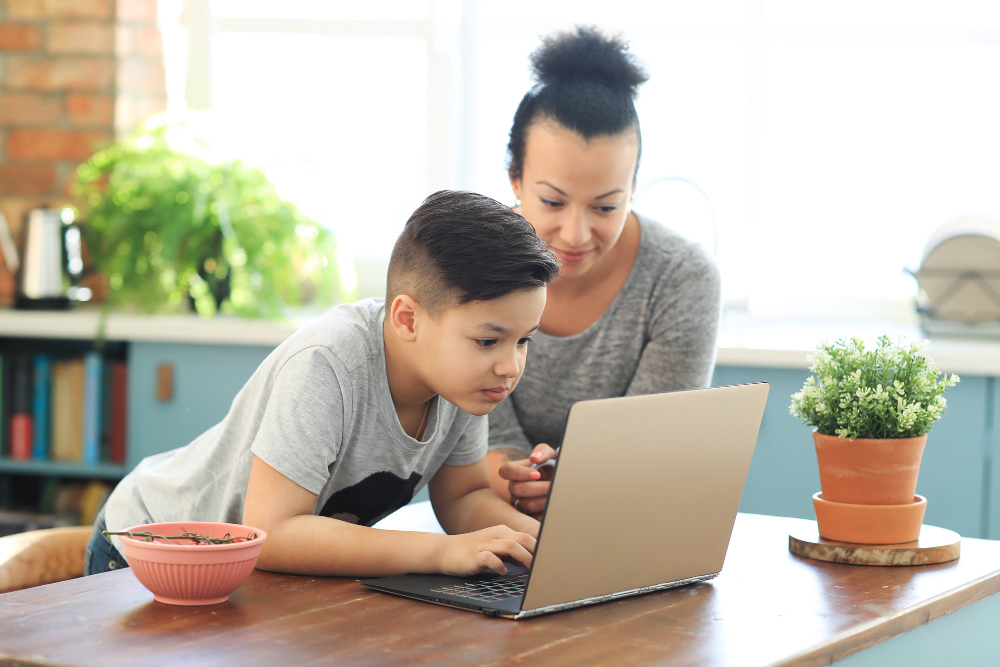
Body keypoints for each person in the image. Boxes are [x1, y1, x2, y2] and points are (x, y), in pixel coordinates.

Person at [85, 190, 560, 578]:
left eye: (523, 341)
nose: (509, 366)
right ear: (408, 319)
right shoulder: (328, 364)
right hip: (152, 548)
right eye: (487, 340)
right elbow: (273, 533)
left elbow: (463, 497)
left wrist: (548, 547)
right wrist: (440, 553)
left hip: (249, 575)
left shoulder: (465, 381)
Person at [486, 27, 722, 518]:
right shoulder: (472, 261)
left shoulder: (681, 278)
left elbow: (646, 447)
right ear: (515, 178)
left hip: (625, 520)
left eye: (605, 206)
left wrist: (571, 483)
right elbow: (480, 436)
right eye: (551, 201)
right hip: (489, 519)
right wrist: (522, 475)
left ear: (634, 188)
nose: (574, 234)